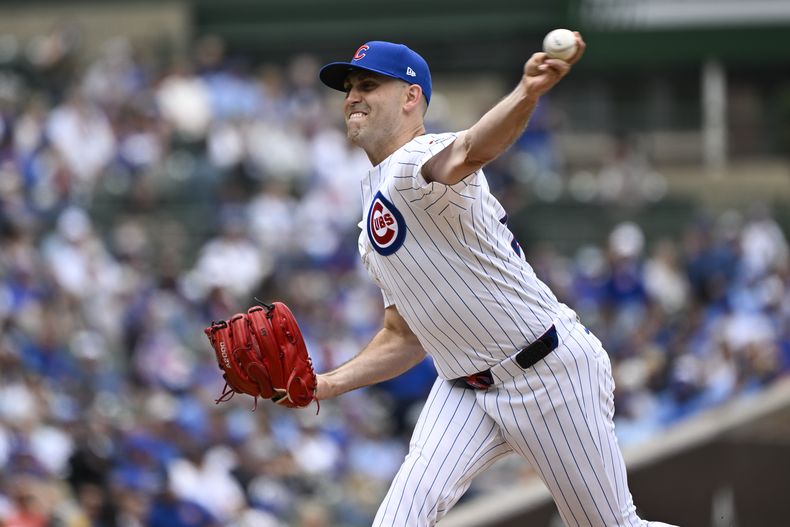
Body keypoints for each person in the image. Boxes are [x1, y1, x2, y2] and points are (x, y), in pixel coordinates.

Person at [315, 37, 677, 526]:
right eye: (349, 87)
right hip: (464, 388)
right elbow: (403, 337)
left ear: (410, 97)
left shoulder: (417, 157)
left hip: (548, 374)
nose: (352, 96)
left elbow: (468, 149)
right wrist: (327, 384)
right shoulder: (372, 206)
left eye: (368, 84)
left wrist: (527, 93)